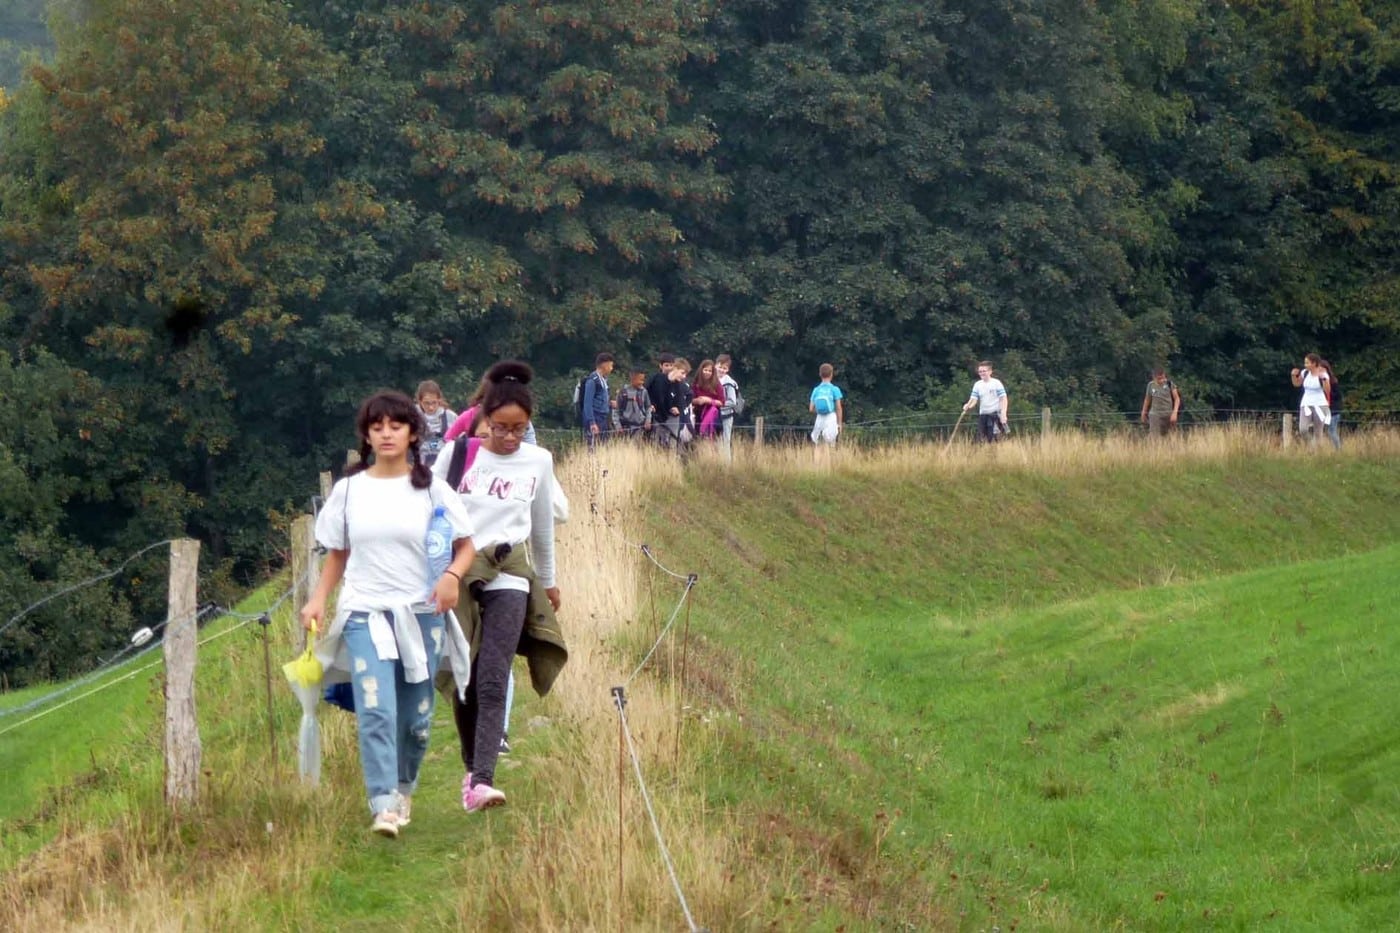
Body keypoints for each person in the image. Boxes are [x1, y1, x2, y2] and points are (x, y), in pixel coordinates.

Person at [300, 390, 477, 838]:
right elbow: (338, 553)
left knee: (416, 720)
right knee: (376, 707)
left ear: (413, 433)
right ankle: (382, 804)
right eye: (376, 427)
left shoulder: (432, 489)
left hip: (422, 615)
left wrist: (452, 577)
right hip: (365, 612)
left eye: (395, 426)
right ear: (366, 435)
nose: (386, 434)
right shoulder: (349, 491)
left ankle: (403, 788)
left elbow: (465, 545)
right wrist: (318, 599)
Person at [431, 361, 567, 813]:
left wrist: (548, 582)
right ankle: (471, 766)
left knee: (494, 672)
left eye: (519, 429)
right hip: (459, 573)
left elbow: (542, 528)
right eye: (501, 428)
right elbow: (430, 515)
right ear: (483, 419)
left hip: (510, 572)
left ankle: (483, 779)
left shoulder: (539, 461)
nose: (510, 438)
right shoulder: (456, 456)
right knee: (464, 673)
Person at [1290, 353, 1331, 448]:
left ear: (1314, 363)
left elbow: (1327, 390)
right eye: (1305, 363)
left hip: (1320, 405)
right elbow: (1297, 384)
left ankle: (1317, 453)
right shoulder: (1305, 373)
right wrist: (1293, 375)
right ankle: (1311, 446)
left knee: (1318, 432)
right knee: (1303, 429)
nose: (1305, 365)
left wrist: (1324, 379)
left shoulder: (1323, 374)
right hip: (1306, 404)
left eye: (1307, 363)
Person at [415, 380, 458, 468]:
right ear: (419, 401)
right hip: (419, 467)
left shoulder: (451, 417)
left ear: (439, 400)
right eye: (426, 403)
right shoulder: (413, 417)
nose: (431, 407)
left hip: (445, 466)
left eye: (434, 402)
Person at [963, 361, 1008, 443]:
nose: (982, 373)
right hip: (983, 415)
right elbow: (973, 399)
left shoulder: (996, 383)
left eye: (984, 371)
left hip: (996, 415)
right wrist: (968, 406)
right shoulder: (977, 384)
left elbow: (1003, 398)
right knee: (981, 439)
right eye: (980, 371)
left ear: (990, 372)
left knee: (996, 439)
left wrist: (1003, 414)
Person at [582, 352, 615, 447]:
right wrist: (592, 422)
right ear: (604, 365)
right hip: (596, 417)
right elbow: (587, 403)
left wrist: (609, 403)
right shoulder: (593, 380)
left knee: (603, 446)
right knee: (593, 446)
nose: (611, 368)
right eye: (610, 365)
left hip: (603, 418)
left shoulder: (604, 380)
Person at [663, 357, 695, 449]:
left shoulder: (683, 385)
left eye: (686, 374)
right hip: (664, 419)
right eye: (682, 373)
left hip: (679, 419)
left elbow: (690, 395)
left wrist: (681, 407)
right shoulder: (663, 381)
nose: (684, 376)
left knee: (677, 442)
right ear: (675, 369)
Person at [1139, 368, 1181, 438]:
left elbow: (1177, 398)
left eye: (1163, 378)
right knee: (1154, 437)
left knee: (1170, 436)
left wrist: (1175, 413)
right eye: (1159, 379)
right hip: (1155, 414)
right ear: (1154, 377)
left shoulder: (1170, 384)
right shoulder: (1150, 385)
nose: (1161, 380)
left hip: (1168, 414)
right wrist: (1143, 412)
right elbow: (1147, 400)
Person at [809, 363, 844, 445]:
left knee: (818, 443)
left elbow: (811, 409)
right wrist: (839, 424)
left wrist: (820, 410)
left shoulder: (816, 390)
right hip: (831, 417)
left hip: (819, 418)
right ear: (831, 374)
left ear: (820, 374)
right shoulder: (835, 389)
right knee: (830, 444)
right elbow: (838, 408)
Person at [645, 352, 675, 445]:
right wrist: (650, 404)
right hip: (655, 414)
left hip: (670, 415)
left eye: (671, 365)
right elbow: (646, 392)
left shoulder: (676, 380)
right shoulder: (655, 378)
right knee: (655, 439)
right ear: (661, 366)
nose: (669, 368)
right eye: (666, 365)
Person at [691, 359, 725, 439]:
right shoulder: (695, 383)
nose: (707, 372)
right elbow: (690, 400)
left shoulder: (717, 384)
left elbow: (722, 402)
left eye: (710, 371)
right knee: (698, 438)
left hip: (713, 416)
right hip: (698, 415)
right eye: (705, 370)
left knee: (712, 439)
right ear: (701, 370)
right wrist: (697, 401)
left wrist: (708, 400)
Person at [716, 354, 741, 457]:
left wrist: (718, 404)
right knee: (714, 440)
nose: (722, 370)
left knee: (725, 441)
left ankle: (726, 463)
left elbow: (732, 402)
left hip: (726, 416)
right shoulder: (711, 380)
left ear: (728, 369)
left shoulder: (729, 383)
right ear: (715, 365)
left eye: (724, 368)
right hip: (713, 415)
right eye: (720, 367)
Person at [616, 368, 652, 439]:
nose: (642, 382)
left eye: (643, 380)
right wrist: (618, 426)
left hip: (640, 428)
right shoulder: (623, 392)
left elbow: (648, 407)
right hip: (626, 428)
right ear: (633, 379)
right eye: (640, 380)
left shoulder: (644, 391)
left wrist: (648, 421)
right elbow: (616, 410)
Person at [1321, 359, 1342, 450]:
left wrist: (1328, 391)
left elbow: (1338, 395)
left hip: (1333, 410)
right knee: (1325, 431)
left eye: (1322, 369)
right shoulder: (1318, 381)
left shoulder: (1333, 381)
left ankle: (1338, 450)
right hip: (1324, 409)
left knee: (1331, 431)